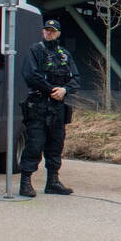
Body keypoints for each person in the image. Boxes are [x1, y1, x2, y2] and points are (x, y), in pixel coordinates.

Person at [18, 19, 80, 197]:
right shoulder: (35, 50)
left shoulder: (64, 54)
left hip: (58, 108)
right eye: (46, 30)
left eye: (52, 31)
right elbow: (31, 75)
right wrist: (52, 90)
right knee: (34, 144)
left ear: (58, 33)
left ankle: (53, 181)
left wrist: (65, 90)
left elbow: (76, 78)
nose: (49, 33)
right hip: (39, 105)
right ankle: (25, 182)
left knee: (55, 145)